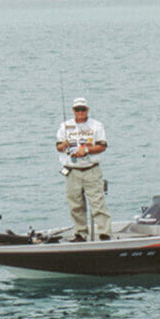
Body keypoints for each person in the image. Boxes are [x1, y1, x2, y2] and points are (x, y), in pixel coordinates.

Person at [56, 97, 112, 241]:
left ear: (87, 110)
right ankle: (80, 233)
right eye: (77, 109)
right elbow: (58, 146)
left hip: (91, 170)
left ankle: (105, 233)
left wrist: (86, 150)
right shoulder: (64, 126)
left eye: (83, 109)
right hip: (72, 171)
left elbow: (102, 146)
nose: (80, 112)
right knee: (75, 205)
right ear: (73, 110)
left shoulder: (96, 126)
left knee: (98, 203)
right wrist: (64, 145)